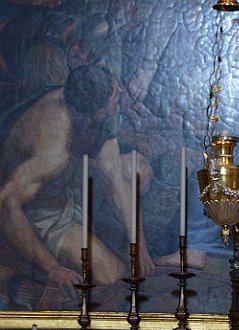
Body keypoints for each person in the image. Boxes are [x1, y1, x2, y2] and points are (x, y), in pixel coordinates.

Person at [0, 64, 203, 308]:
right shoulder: (53, 150)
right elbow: (7, 204)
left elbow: (117, 182)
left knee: (135, 170)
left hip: (69, 190)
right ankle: (14, 274)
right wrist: (52, 267)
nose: (120, 92)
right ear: (98, 111)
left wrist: (139, 247)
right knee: (109, 276)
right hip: (40, 215)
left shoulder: (84, 106)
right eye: (115, 94)